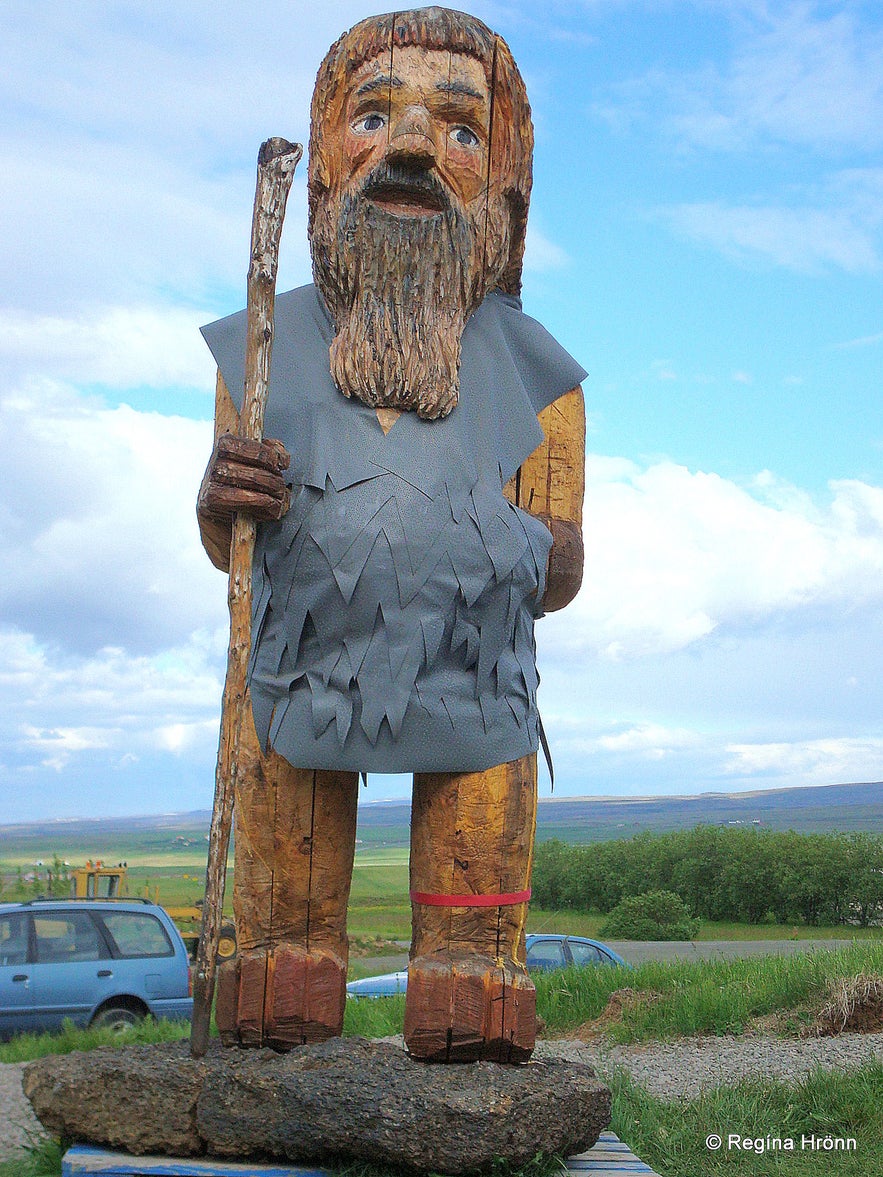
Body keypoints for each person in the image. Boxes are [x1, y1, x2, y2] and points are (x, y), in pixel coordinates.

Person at [197, 6, 586, 1063]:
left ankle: (468, 966)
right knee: (282, 814)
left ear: (503, 184)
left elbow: (561, 565)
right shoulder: (264, 345)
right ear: (324, 163)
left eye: (461, 131)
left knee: (478, 804)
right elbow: (225, 546)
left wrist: (480, 543)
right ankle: (284, 952)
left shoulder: (534, 372)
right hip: (297, 673)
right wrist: (221, 496)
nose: (411, 148)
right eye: (373, 115)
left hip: (475, 679)